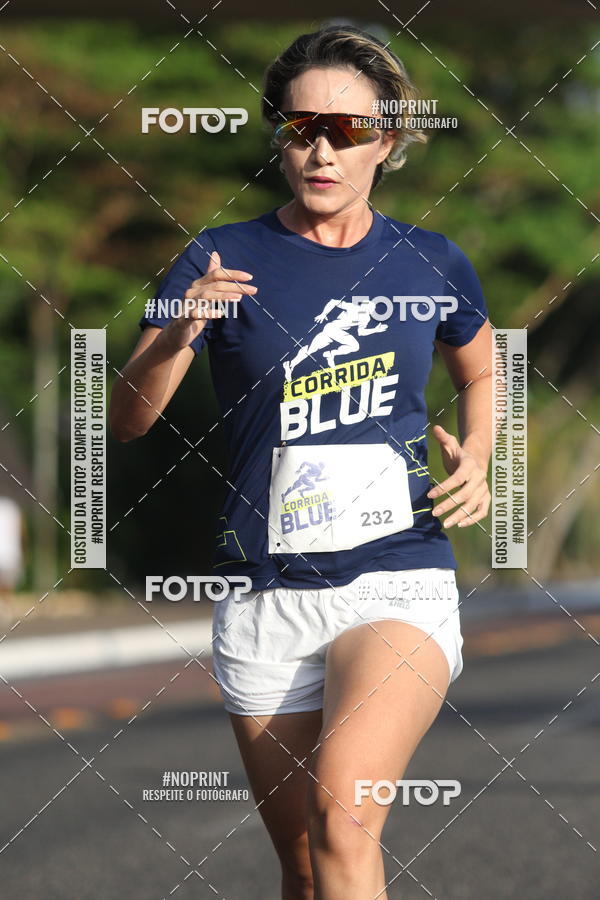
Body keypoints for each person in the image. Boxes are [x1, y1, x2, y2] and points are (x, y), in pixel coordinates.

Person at [109, 24, 492, 900]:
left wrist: (478, 452)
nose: (322, 148)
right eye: (299, 127)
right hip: (264, 588)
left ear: (388, 141)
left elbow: (481, 363)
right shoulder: (219, 258)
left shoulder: (428, 260)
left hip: (398, 576)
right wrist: (178, 332)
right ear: (279, 133)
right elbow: (129, 420)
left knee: (344, 819)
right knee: (307, 867)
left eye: (349, 130)